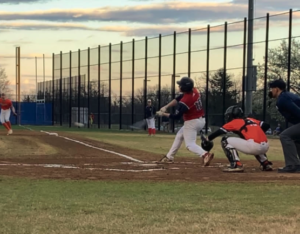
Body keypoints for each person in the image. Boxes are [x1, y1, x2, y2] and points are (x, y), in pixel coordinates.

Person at [156, 77, 214, 166]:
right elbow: (178, 98)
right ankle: (169, 157)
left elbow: (176, 116)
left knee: (190, 145)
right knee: (179, 135)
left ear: (184, 88)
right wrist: (166, 107)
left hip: (192, 122)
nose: (179, 86)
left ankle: (205, 154)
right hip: (201, 120)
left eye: (180, 85)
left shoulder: (186, 101)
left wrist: (163, 114)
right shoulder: (194, 90)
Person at [205, 105, 272, 172]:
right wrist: (256, 132)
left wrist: (207, 139)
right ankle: (265, 163)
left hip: (254, 146)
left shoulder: (235, 121)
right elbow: (266, 126)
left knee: (225, 140)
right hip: (266, 146)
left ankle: (236, 164)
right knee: (254, 141)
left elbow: (219, 132)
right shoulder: (250, 119)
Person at [268, 79, 300, 173]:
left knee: (284, 135)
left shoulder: (283, 99)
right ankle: (296, 165)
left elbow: (297, 111)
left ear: (277, 89)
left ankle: (292, 165)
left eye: (272, 88)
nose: (271, 91)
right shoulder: (288, 95)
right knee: (296, 138)